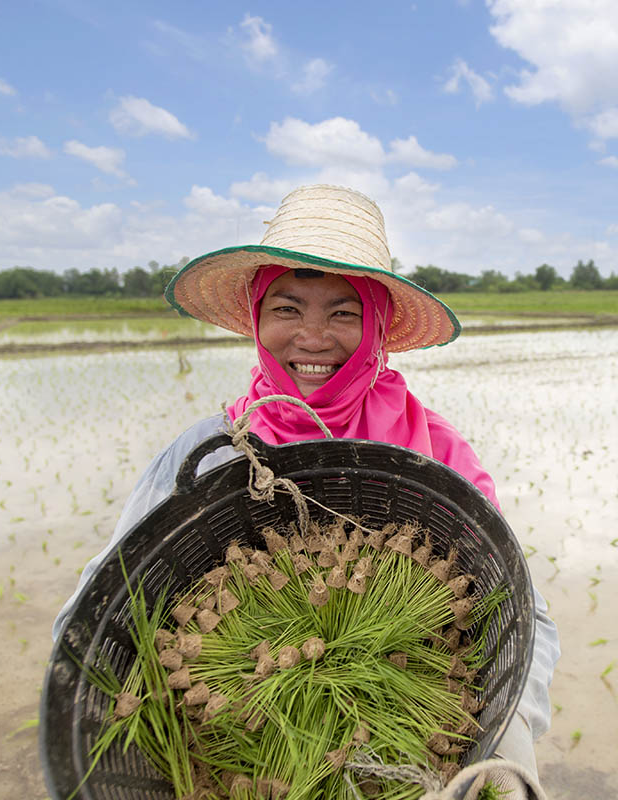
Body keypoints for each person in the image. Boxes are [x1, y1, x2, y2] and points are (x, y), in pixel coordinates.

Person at [53, 184, 559, 798]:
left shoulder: (435, 451)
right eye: (288, 309)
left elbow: (519, 606)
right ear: (258, 319)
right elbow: (104, 599)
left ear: (376, 323)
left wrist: (502, 751)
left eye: (343, 313)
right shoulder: (207, 451)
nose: (313, 338)